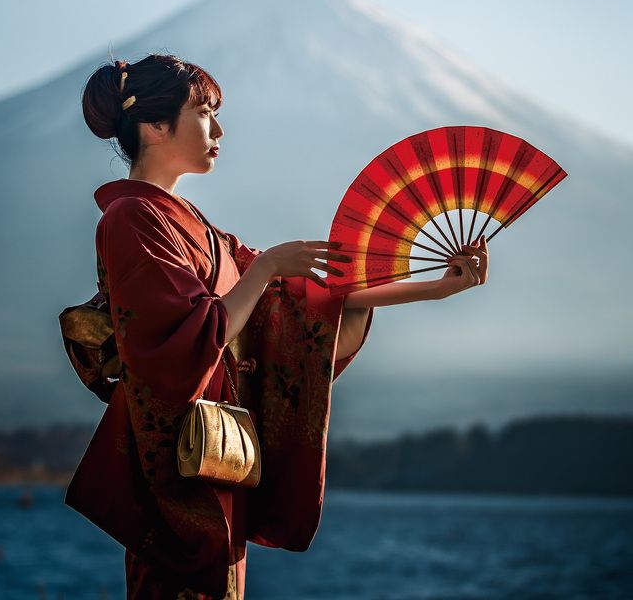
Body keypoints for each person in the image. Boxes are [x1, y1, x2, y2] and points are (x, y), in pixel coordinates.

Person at [65, 53, 489, 599]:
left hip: (216, 458)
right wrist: (263, 269)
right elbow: (178, 348)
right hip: (175, 469)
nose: (218, 130)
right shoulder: (130, 219)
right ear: (155, 125)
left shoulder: (197, 228)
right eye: (202, 113)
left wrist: (437, 284)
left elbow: (310, 294)